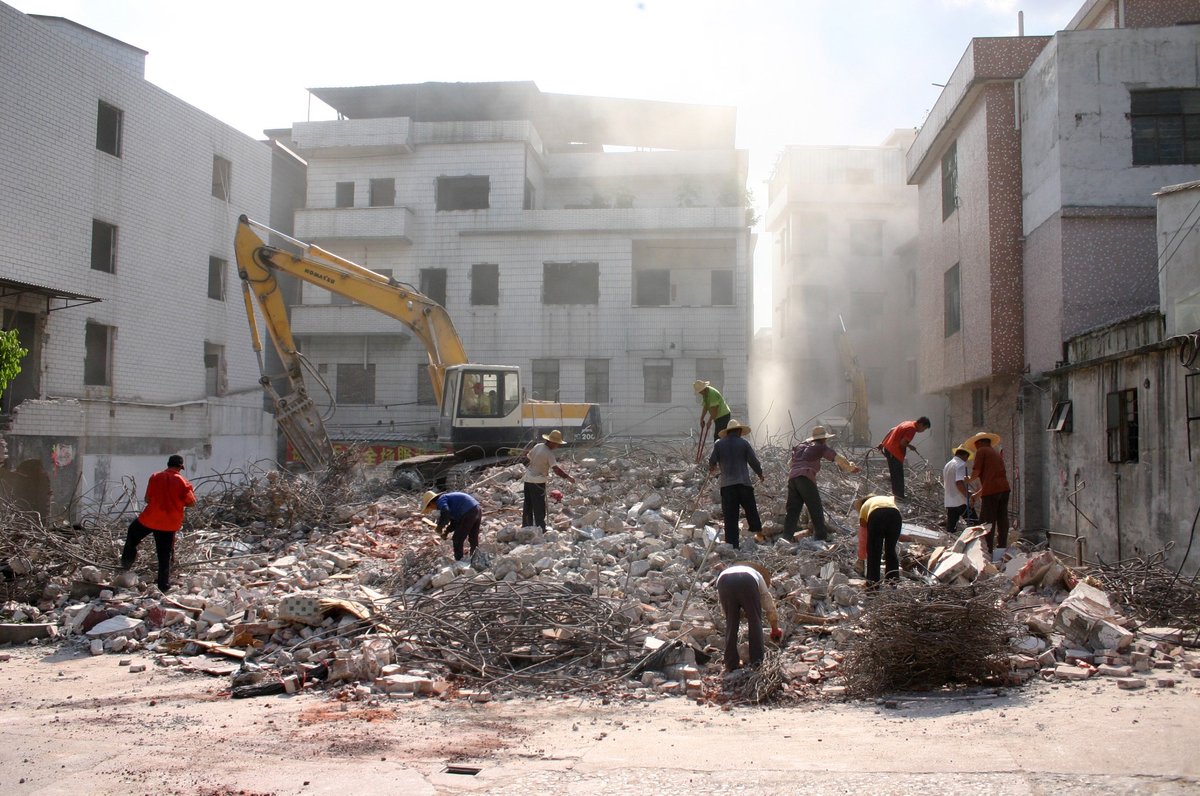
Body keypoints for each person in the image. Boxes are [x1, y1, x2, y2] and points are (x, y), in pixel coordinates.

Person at [119, 455, 195, 594]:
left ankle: (125, 565)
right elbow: (191, 502)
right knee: (164, 555)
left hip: (149, 519)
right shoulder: (184, 482)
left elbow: (147, 499)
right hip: (169, 524)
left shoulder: (155, 476)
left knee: (132, 536)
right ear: (180, 467)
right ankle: (163, 586)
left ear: (168, 464)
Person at [783, 425, 860, 541]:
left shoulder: (801, 446)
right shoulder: (821, 447)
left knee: (793, 510)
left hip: (793, 478)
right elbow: (837, 458)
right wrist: (851, 468)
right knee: (815, 507)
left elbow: (790, 463)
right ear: (823, 438)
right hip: (805, 477)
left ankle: (786, 537)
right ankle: (821, 536)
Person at [714, 561, 782, 672]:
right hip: (748, 581)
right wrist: (775, 628)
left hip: (723, 581)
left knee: (731, 623)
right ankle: (757, 662)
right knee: (755, 620)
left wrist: (736, 614)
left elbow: (725, 610)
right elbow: (768, 604)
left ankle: (730, 663)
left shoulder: (728, 571)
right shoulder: (757, 575)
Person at [707, 419, 764, 549]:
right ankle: (758, 535)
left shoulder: (719, 444)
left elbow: (712, 461)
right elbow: (753, 461)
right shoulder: (744, 443)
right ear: (739, 431)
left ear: (728, 432)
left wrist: (712, 467)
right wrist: (760, 474)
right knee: (751, 510)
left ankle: (732, 545)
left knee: (730, 516)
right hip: (744, 484)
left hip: (727, 486)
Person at [521, 429, 575, 530]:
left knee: (528, 504)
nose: (557, 446)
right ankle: (540, 527)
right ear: (552, 442)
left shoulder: (538, 446)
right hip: (538, 482)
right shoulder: (549, 453)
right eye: (557, 444)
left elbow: (527, 457)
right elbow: (556, 469)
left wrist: (533, 468)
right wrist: (568, 477)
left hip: (527, 479)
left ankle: (526, 526)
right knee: (539, 506)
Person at [967, 432, 1010, 553]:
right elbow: (992, 479)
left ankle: (987, 551)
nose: (975, 447)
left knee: (987, 521)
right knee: (1002, 519)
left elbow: (976, 471)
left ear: (979, 442)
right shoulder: (995, 453)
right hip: (1004, 489)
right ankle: (1001, 549)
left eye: (975, 444)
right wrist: (978, 494)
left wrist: (969, 479)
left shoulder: (982, 451)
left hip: (992, 491)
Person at [877, 416, 931, 500]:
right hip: (894, 452)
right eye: (924, 428)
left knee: (895, 474)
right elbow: (903, 443)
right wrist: (910, 446)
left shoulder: (906, 423)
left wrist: (882, 443)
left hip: (889, 449)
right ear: (921, 424)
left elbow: (892, 430)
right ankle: (899, 497)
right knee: (898, 475)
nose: (922, 431)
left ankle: (897, 495)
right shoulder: (912, 429)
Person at [855, 493, 903, 586]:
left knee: (874, 550)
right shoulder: (887, 500)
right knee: (891, 549)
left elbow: (863, 537)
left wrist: (861, 557)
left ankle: (872, 584)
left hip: (876, 515)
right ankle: (893, 581)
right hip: (896, 516)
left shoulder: (865, 506)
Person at [422, 490, 482, 562]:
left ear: (431, 503)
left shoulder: (441, 499)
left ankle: (459, 561)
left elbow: (445, 511)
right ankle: (477, 560)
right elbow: (455, 522)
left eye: (431, 507)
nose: (433, 509)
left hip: (468, 512)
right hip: (477, 509)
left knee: (457, 539)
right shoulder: (451, 501)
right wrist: (446, 532)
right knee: (473, 537)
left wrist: (439, 527)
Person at [943, 445, 974, 534]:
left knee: (951, 529)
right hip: (961, 501)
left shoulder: (948, 465)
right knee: (975, 524)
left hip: (950, 502)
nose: (966, 460)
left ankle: (950, 545)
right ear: (965, 456)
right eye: (967, 458)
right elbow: (959, 483)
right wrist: (968, 496)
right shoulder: (961, 464)